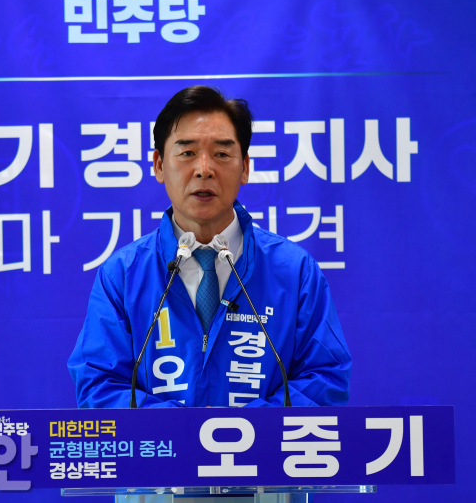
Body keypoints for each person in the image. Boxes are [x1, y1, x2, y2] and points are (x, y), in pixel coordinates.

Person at [68, 86, 351, 408]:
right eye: (187, 153)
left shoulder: (294, 271)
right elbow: (99, 386)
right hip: (164, 445)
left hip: (256, 444)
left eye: (222, 154)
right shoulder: (123, 274)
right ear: (159, 165)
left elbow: (324, 380)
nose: (204, 169)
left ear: (245, 167)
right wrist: (188, 433)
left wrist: (236, 430)